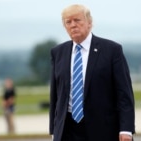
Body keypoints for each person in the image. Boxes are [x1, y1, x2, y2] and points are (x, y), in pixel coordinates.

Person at [49, 4, 135, 141]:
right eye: (68, 22)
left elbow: (124, 94)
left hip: (102, 129)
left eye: (77, 20)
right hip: (67, 129)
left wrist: (126, 129)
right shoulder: (58, 53)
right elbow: (56, 95)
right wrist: (54, 131)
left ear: (89, 22)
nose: (73, 25)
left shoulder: (112, 50)